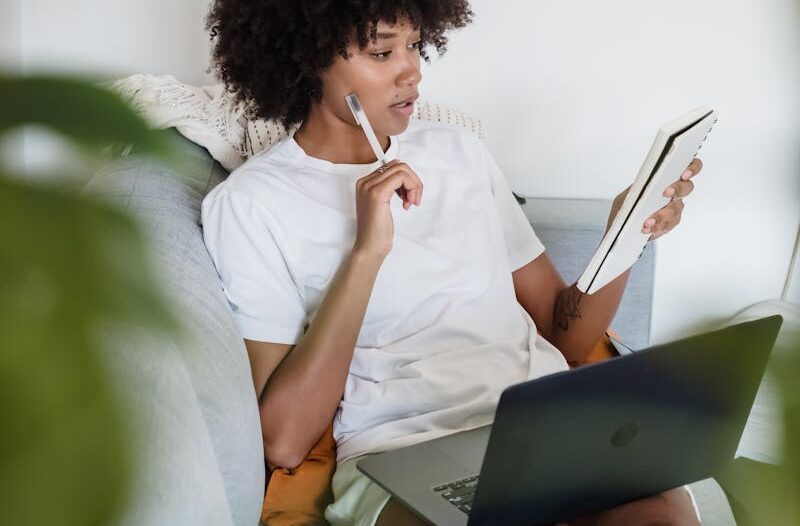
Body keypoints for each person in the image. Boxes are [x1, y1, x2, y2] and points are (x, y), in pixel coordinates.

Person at [202, 1, 703, 524]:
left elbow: (566, 334)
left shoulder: (459, 151)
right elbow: (283, 441)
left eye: (415, 45)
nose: (411, 70)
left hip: (543, 423)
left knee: (663, 514)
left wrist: (626, 232)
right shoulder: (251, 204)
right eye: (382, 51)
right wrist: (366, 254)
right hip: (400, 453)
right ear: (306, 59)